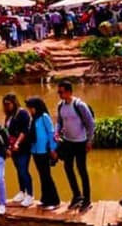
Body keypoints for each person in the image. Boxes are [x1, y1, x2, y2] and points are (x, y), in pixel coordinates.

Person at [55, 80, 94, 211]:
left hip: (81, 142)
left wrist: (89, 140)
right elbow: (59, 122)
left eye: (61, 92)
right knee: (68, 168)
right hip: (68, 141)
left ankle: (87, 199)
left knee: (82, 170)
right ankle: (77, 195)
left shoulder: (79, 105)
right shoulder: (60, 105)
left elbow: (90, 123)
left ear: (69, 91)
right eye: (58, 92)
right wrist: (57, 131)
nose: (59, 94)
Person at [26, 97, 60, 209]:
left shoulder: (44, 117)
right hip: (35, 150)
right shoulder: (33, 119)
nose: (29, 110)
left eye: (30, 108)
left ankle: (54, 201)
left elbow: (51, 133)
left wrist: (53, 148)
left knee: (47, 176)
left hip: (44, 150)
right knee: (42, 176)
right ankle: (45, 199)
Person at [2, 93, 34, 207]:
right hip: (13, 148)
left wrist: (17, 143)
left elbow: (25, 130)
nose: (6, 106)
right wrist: (7, 147)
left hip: (23, 147)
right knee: (18, 170)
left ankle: (30, 195)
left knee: (23, 170)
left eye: (8, 104)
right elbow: (6, 131)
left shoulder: (22, 113)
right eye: (4, 104)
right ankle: (22, 191)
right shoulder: (9, 116)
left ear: (14, 103)